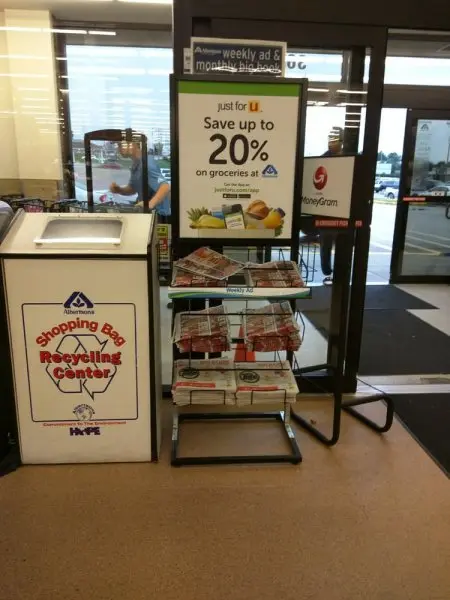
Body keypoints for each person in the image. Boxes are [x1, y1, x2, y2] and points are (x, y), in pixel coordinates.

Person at [109, 142, 171, 219]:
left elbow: (165, 187)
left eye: (120, 145)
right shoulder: (136, 164)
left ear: (133, 144)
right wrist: (118, 190)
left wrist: (148, 205)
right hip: (147, 214)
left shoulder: (147, 163)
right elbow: (133, 189)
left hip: (159, 216)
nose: (118, 149)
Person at [320, 126, 344, 285]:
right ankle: (327, 271)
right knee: (326, 242)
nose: (332, 143)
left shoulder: (350, 157)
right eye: (330, 140)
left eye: (335, 140)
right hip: (326, 207)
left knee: (342, 243)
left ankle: (339, 274)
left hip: (342, 208)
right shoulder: (324, 158)